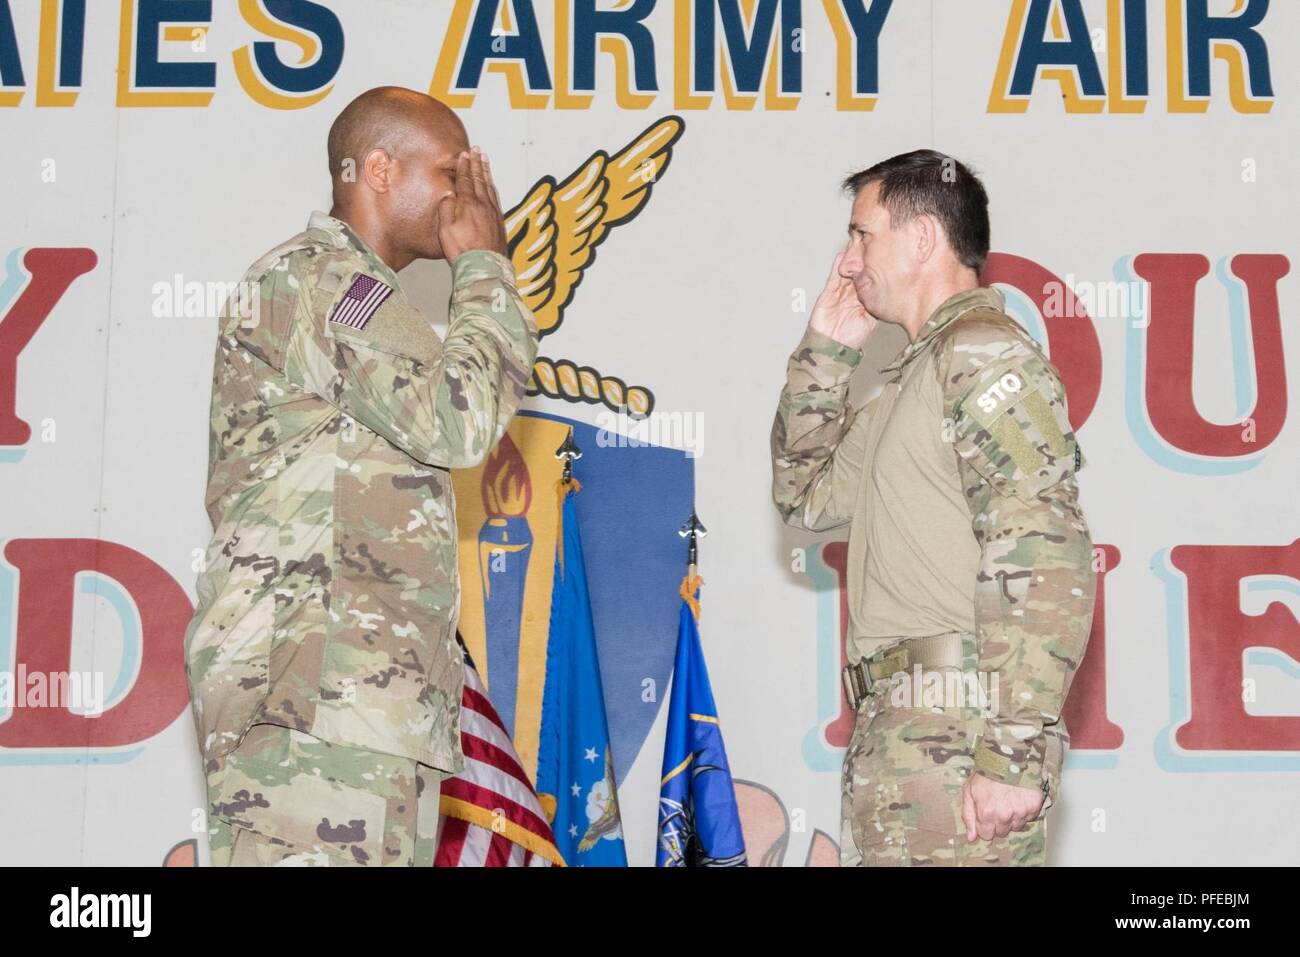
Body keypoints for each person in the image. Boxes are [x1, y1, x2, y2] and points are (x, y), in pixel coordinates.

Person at [183, 86, 539, 866]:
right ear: (378, 168)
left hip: (364, 703)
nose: (470, 197)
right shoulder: (319, 282)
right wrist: (483, 263)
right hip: (312, 693)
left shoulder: (370, 302)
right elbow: (461, 420)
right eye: (454, 173)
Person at [771, 149, 1095, 866]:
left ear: (921, 240)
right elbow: (804, 494)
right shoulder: (907, 380)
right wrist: (827, 353)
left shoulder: (981, 355)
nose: (848, 261)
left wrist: (1013, 749)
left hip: (961, 730)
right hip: (904, 730)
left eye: (862, 235)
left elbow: (1046, 546)